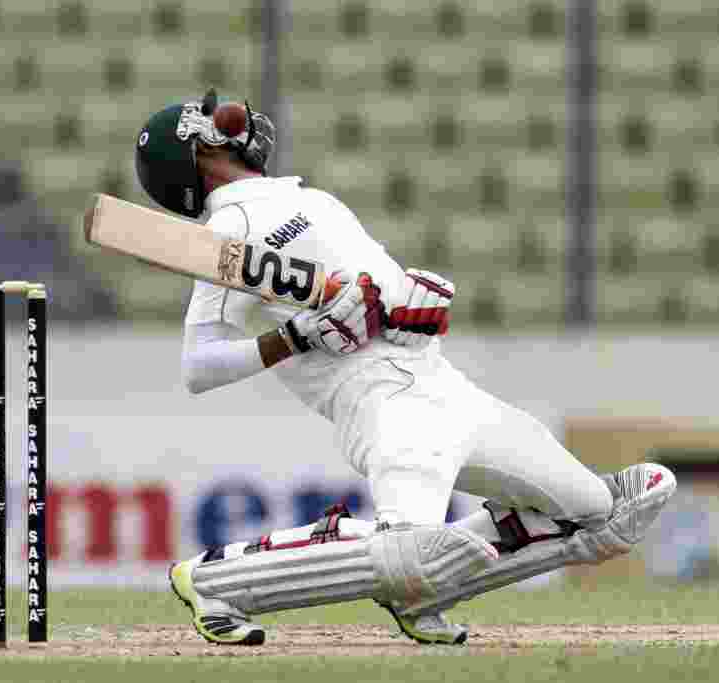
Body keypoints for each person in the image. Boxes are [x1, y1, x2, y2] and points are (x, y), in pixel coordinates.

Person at [135, 91, 676, 646]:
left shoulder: (315, 202)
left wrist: (417, 306)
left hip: (445, 386)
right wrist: (295, 336)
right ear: (198, 151)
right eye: (213, 122)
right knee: (410, 551)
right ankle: (214, 579)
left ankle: (425, 593)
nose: (237, 120)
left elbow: (378, 306)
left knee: (603, 515)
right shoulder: (229, 229)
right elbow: (199, 366)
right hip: (383, 404)